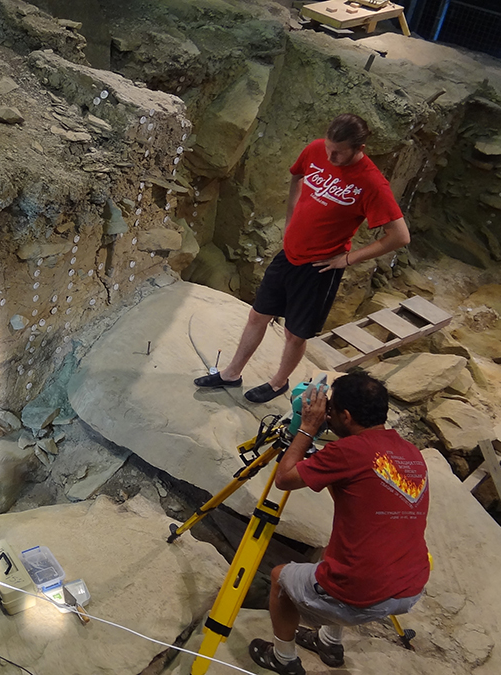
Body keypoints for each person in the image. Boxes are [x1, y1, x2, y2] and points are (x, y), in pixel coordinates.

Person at [194, 114, 411, 403]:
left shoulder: (372, 183)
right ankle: (231, 373)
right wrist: (291, 215)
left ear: (359, 147)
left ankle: (278, 383)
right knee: (258, 315)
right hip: (289, 253)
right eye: (329, 147)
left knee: (295, 333)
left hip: (320, 268)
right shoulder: (316, 149)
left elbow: (399, 236)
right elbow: (298, 174)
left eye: (338, 152)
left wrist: (348, 259)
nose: (330, 155)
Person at [248, 372, 430, 675]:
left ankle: (283, 659)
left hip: (362, 594)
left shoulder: (347, 452)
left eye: (331, 411)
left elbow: (284, 479)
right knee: (335, 552)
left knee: (280, 578)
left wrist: (306, 428)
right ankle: (329, 643)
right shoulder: (410, 453)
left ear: (345, 415)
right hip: (411, 585)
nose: (327, 415)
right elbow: (354, 490)